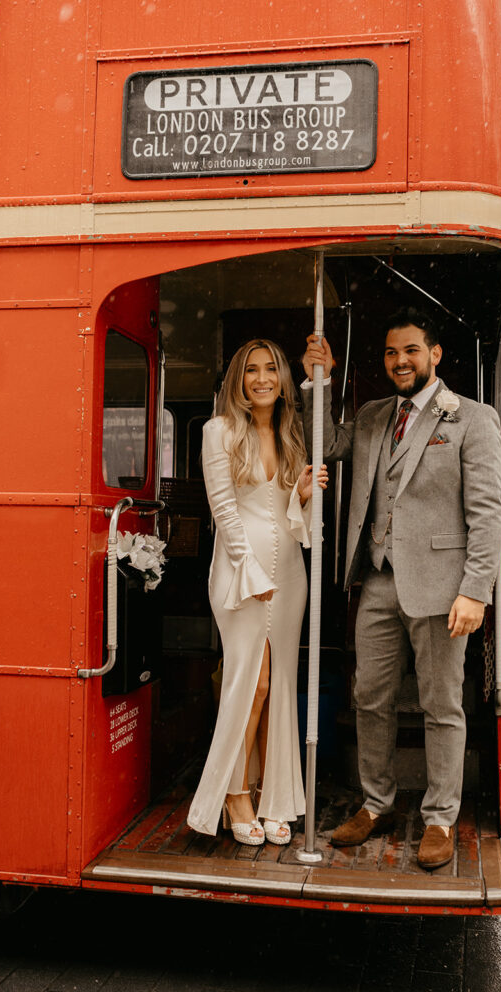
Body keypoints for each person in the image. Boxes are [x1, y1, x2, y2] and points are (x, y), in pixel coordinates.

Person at [302, 308, 501, 869]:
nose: (400, 362)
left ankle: (440, 817)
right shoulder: (370, 416)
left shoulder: (471, 418)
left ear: (434, 354)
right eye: (391, 353)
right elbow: (322, 443)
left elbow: (487, 513)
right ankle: (377, 804)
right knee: (370, 697)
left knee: (442, 704)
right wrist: (316, 382)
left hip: (443, 588)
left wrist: (476, 590)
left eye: (411, 351)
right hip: (377, 580)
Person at [187, 339, 327, 846]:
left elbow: (292, 522)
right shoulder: (218, 431)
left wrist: (303, 497)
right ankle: (233, 795)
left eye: (271, 369)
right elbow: (224, 512)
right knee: (253, 683)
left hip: (289, 573)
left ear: (283, 378)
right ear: (238, 380)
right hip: (241, 574)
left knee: (279, 688)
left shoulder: (290, 434)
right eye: (251, 370)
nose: (262, 378)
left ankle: (275, 797)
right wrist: (250, 572)